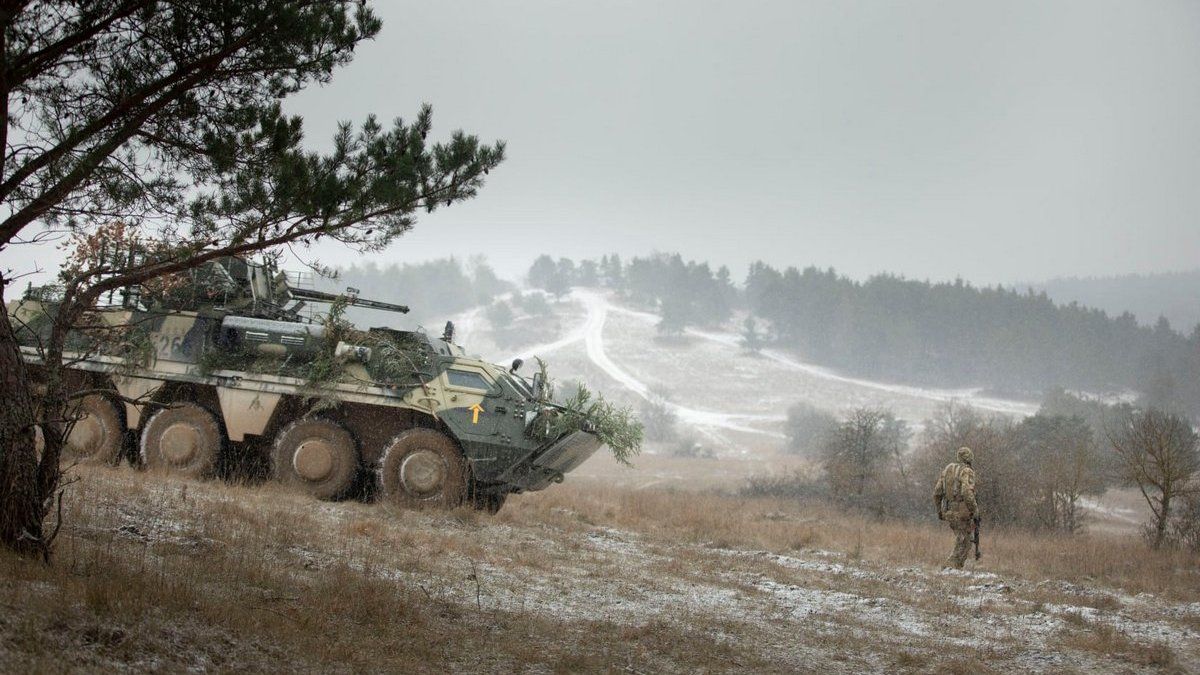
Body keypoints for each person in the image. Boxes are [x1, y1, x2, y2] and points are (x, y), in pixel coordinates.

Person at [933, 446, 978, 569]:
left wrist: (939, 511)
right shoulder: (967, 471)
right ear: (970, 458)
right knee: (964, 541)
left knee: (962, 539)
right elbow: (967, 492)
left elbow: (937, 493)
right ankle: (950, 567)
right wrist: (975, 510)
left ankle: (954, 568)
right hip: (962, 512)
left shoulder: (948, 469)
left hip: (949, 511)